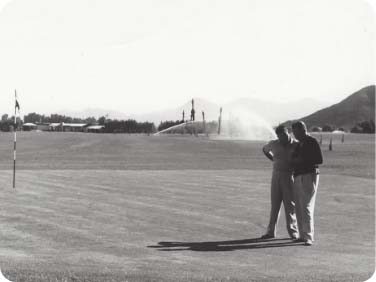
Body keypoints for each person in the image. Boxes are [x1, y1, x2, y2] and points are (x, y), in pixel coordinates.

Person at [261, 125, 299, 240]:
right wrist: (273, 159)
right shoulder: (273, 143)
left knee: (290, 206)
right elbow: (264, 150)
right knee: (275, 205)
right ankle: (270, 232)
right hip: (276, 175)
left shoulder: (296, 144)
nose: (282, 138)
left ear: (288, 132)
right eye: (280, 136)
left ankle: (293, 232)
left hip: (289, 176)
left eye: (284, 135)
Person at [290, 121, 323, 246]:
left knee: (306, 206)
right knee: (298, 206)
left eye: (296, 132)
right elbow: (293, 159)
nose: (295, 135)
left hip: (309, 175)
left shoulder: (311, 142)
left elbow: (319, 160)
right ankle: (302, 235)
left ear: (303, 130)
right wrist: (295, 160)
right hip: (298, 176)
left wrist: (302, 159)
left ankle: (309, 236)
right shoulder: (299, 145)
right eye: (294, 133)